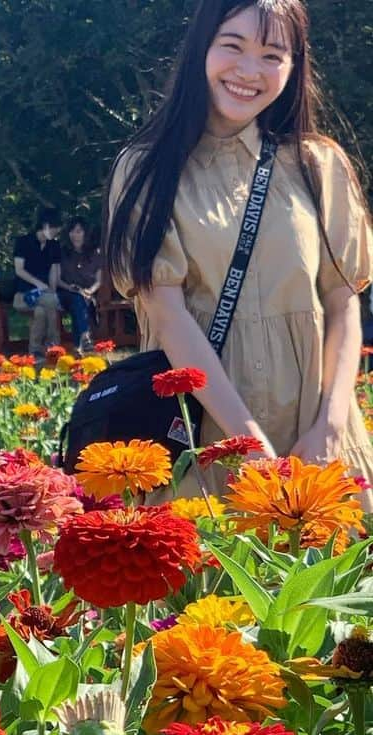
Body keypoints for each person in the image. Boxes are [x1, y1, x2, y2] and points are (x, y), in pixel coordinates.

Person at [105, 0, 373, 509]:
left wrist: (331, 427)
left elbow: (343, 304)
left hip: (317, 440)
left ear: (293, 69)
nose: (249, 71)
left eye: (273, 54)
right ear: (201, 48)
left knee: (335, 584)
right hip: (205, 440)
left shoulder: (319, 166)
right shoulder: (145, 170)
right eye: (233, 46)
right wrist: (246, 442)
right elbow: (169, 316)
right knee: (211, 584)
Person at [7, 206, 63, 356]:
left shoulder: (54, 245)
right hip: (23, 295)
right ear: (45, 226)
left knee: (40, 312)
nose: (56, 232)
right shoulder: (23, 242)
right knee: (51, 302)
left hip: (45, 296)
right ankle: (54, 345)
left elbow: (54, 270)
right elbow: (19, 269)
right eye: (54, 228)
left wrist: (52, 289)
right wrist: (38, 284)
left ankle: (35, 350)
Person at [56, 217, 103, 354]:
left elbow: (99, 280)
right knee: (77, 299)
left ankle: (79, 347)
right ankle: (84, 339)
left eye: (78, 231)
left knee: (80, 302)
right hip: (66, 292)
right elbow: (57, 280)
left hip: (87, 294)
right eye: (72, 231)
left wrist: (90, 291)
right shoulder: (62, 252)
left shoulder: (95, 253)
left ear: (85, 233)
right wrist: (70, 288)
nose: (74, 235)